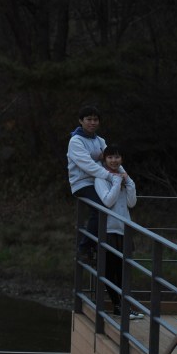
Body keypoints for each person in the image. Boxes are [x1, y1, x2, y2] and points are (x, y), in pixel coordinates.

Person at [94, 144, 143, 320]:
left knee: (123, 270)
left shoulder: (123, 178)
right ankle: (118, 306)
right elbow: (107, 201)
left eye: (117, 157)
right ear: (105, 160)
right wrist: (116, 182)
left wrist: (129, 183)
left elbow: (131, 203)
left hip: (124, 229)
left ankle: (123, 306)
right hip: (108, 229)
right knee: (111, 270)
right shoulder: (101, 178)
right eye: (110, 157)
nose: (114, 161)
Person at [66, 105, 115, 257]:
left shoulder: (100, 141)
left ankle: (108, 246)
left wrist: (126, 178)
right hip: (82, 183)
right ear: (81, 121)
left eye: (95, 119)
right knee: (101, 208)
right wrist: (110, 176)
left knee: (115, 206)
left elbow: (112, 160)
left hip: (99, 182)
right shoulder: (76, 141)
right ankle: (85, 247)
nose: (92, 122)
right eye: (89, 119)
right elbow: (88, 166)